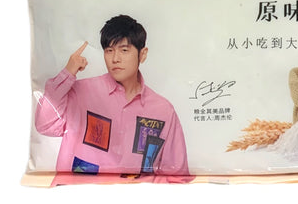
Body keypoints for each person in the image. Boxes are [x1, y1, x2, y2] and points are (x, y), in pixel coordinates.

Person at [35, 14, 191, 181]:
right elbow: (45, 125)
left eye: (124, 50)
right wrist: (67, 73)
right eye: (109, 51)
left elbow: (177, 177)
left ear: (142, 54)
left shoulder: (163, 111)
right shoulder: (81, 92)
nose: (115, 59)